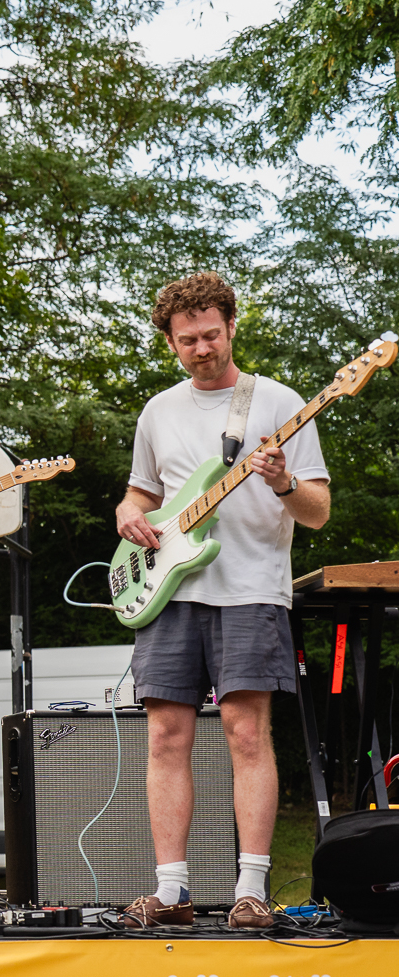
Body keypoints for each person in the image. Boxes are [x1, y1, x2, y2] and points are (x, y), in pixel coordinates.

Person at [115, 272, 330, 930]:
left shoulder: (279, 403)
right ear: (170, 342)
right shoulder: (158, 411)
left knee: (245, 732)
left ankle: (251, 890)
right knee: (165, 737)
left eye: (211, 334)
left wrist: (283, 481)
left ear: (232, 326)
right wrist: (127, 513)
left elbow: (317, 511)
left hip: (250, 590)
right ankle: (171, 892)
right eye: (188, 340)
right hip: (169, 588)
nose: (202, 349)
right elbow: (142, 493)